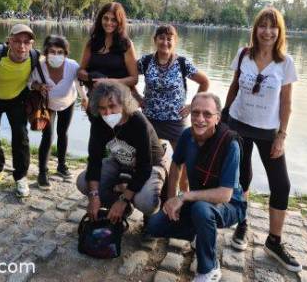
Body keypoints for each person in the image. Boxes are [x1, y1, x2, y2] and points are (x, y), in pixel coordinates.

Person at [224, 7, 302, 272]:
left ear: (279, 31)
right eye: (262, 26)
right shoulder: (244, 55)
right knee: (243, 178)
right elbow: (234, 86)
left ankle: (274, 241)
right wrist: (223, 118)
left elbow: (287, 102)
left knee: (281, 185)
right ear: (255, 29)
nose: (267, 31)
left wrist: (282, 135)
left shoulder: (285, 62)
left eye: (273, 27)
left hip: (269, 131)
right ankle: (242, 225)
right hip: (239, 125)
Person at [147, 92, 246, 282]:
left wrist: (183, 197)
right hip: (197, 201)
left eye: (207, 114)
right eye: (195, 113)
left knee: (202, 210)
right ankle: (202, 234)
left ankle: (209, 268)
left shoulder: (229, 144)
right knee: (154, 226)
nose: (200, 119)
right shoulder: (187, 135)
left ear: (218, 118)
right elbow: (175, 165)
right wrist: (169, 200)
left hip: (231, 205)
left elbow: (225, 195)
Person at [76, 81, 171, 224]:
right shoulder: (99, 121)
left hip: (151, 164)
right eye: (102, 108)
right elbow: (95, 160)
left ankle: (143, 212)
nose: (107, 113)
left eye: (112, 106)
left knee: (145, 201)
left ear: (124, 104)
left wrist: (124, 199)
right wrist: (94, 196)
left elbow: (144, 167)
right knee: (83, 182)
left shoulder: (138, 122)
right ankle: (119, 207)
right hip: (120, 160)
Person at [135, 24, 209, 191]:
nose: (165, 42)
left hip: (175, 121)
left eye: (169, 39)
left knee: (182, 159)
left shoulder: (182, 63)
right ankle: (153, 189)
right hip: (150, 119)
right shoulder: (145, 61)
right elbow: (128, 75)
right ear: (155, 40)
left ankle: (183, 193)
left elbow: (204, 82)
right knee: (150, 157)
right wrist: (137, 97)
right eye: (161, 38)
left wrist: (193, 105)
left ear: (175, 41)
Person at [0, 24, 38, 198]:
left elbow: (60, 67)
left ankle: (20, 177)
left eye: (26, 42)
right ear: (9, 41)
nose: (22, 46)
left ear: (32, 44)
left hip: (17, 99)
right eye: (17, 41)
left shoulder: (36, 58)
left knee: (21, 138)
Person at [28, 35, 88, 188]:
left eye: (60, 52)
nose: (56, 55)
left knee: (63, 132)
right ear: (46, 53)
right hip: (48, 104)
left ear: (65, 53)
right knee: (47, 135)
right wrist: (39, 86)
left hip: (68, 101)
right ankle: (42, 172)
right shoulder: (39, 66)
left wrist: (85, 99)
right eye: (52, 51)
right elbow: (29, 83)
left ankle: (61, 165)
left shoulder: (72, 65)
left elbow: (79, 83)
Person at [77, 2, 138, 100]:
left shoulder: (126, 44)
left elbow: (134, 79)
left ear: (120, 22)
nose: (109, 23)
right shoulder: (92, 43)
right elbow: (80, 72)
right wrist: (91, 76)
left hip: (118, 100)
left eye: (114, 20)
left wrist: (108, 81)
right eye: (106, 18)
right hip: (95, 100)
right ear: (100, 19)